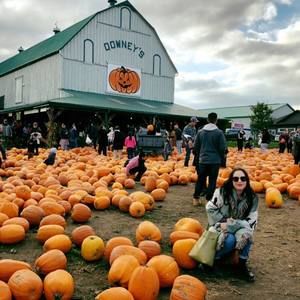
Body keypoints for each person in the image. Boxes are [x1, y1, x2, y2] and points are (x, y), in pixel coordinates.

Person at [206, 168, 258, 282]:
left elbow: (252, 218)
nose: (239, 181)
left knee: (247, 236)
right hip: (222, 225)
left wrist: (245, 231)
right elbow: (210, 208)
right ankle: (215, 261)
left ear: (247, 181)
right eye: (236, 178)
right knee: (229, 240)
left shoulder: (252, 197)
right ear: (231, 180)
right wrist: (222, 221)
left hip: (240, 226)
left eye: (243, 178)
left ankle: (241, 265)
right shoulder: (222, 192)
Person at [193, 112, 226, 206]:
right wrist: (221, 157)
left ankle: (196, 198)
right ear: (216, 120)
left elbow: (196, 147)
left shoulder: (200, 132)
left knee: (200, 179)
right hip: (215, 161)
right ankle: (209, 199)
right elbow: (222, 148)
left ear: (207, 120)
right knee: (212, 180)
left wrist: (199, 156)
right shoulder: (219, 133)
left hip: (202, 160)